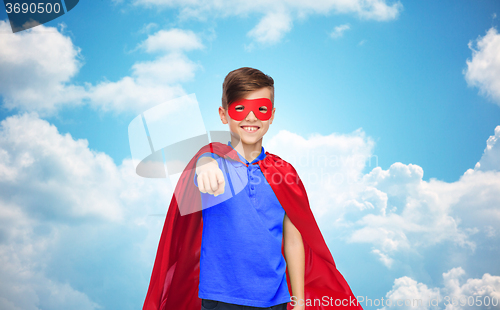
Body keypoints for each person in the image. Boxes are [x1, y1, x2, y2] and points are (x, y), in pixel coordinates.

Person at [142, 67, 363, 310]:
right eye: (240, 108)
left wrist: (299, 302)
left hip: (276, 300)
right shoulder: (211, 162)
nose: (250, 117)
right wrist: (203, 162)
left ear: (272, 115)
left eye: (261, 109)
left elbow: (293, 241)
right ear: (223, 114)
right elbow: (202, 166)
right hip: (221, 299)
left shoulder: (284, 173)